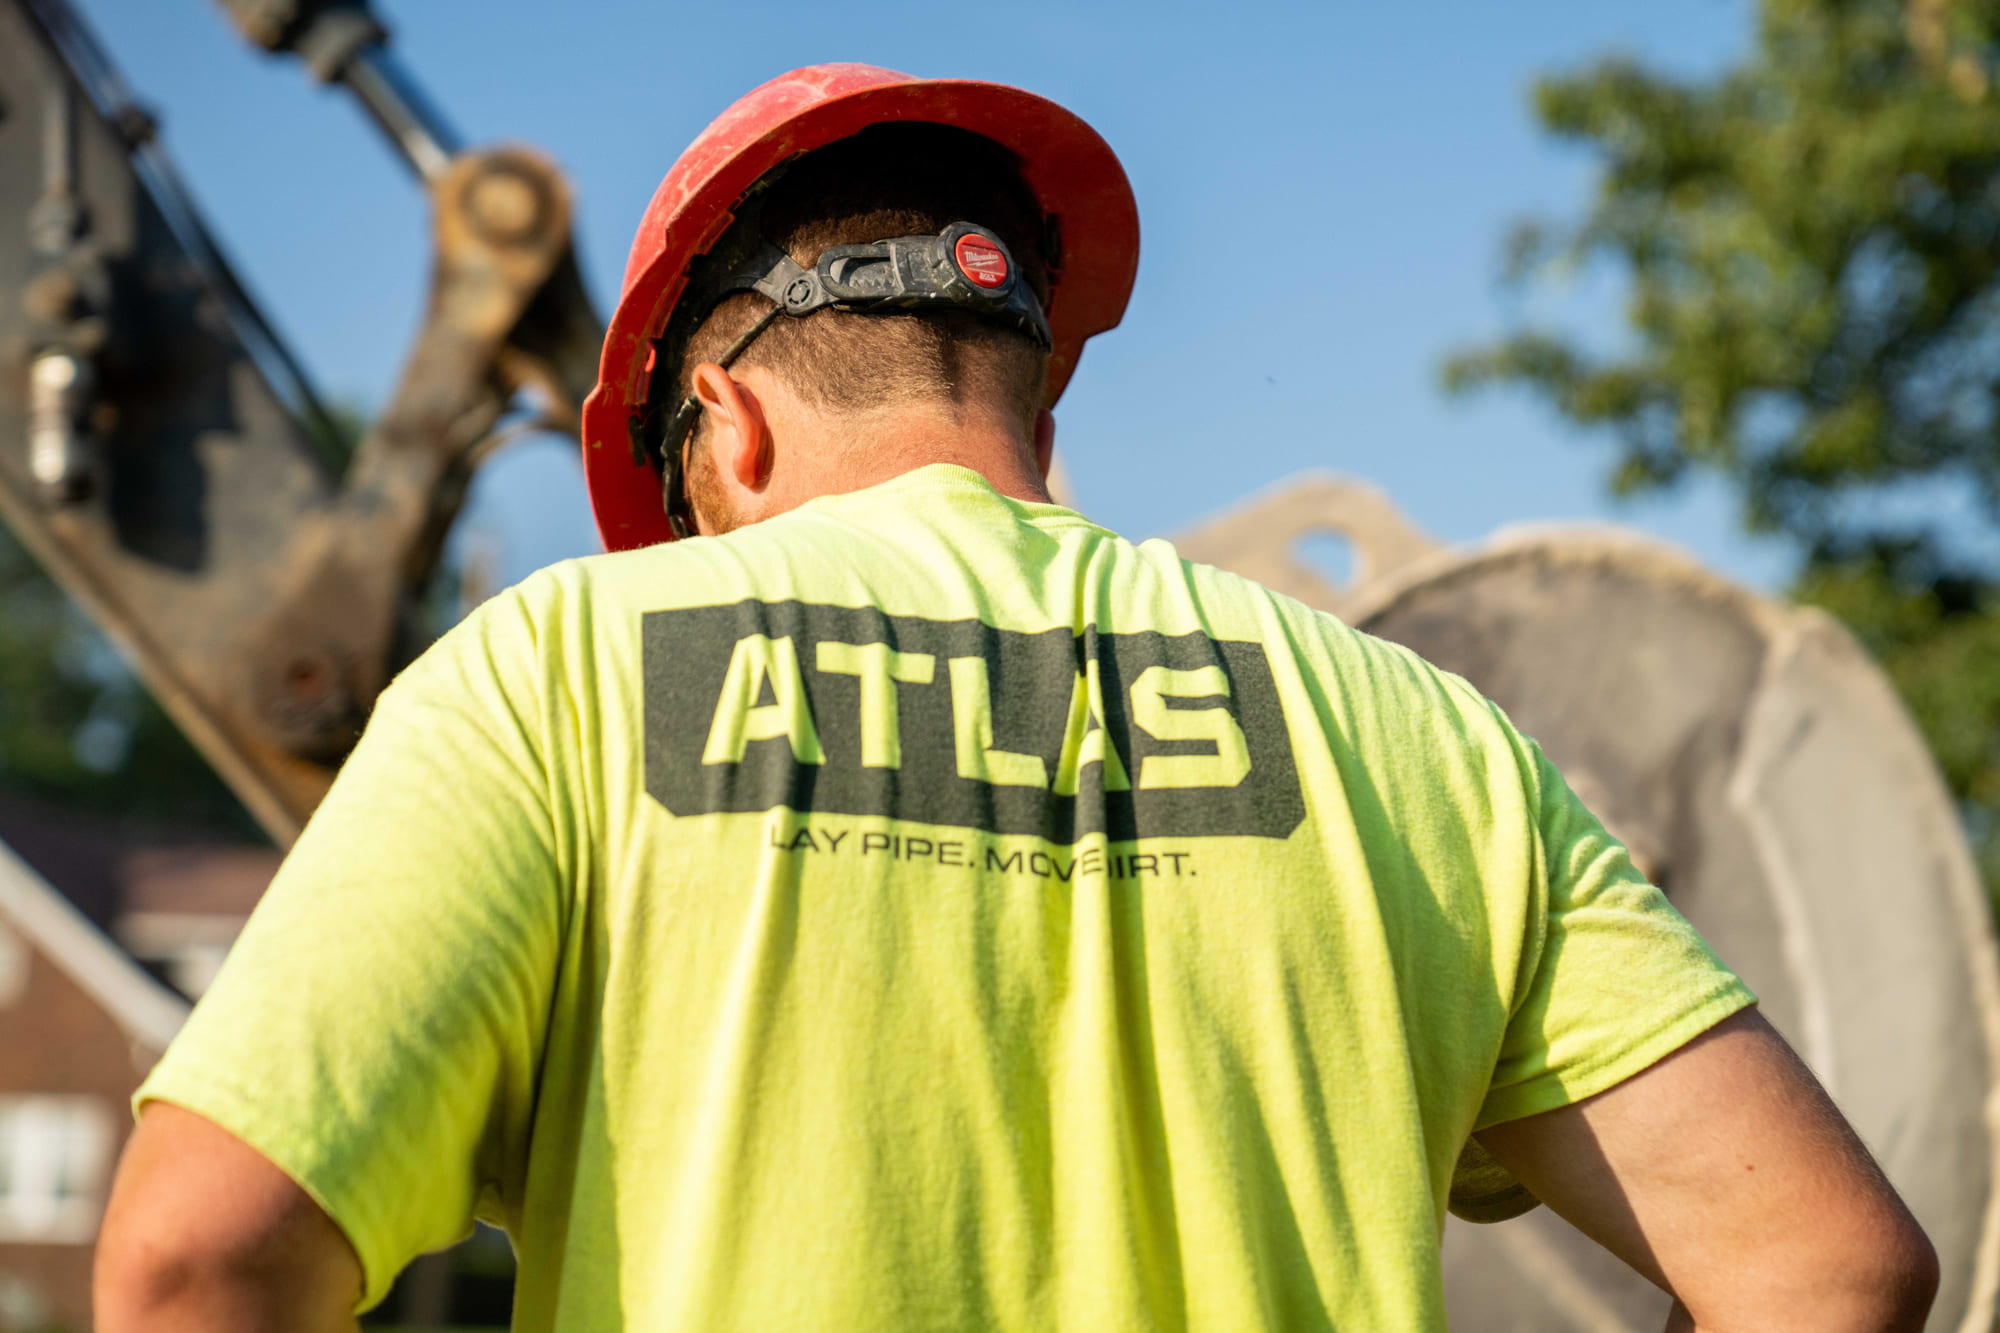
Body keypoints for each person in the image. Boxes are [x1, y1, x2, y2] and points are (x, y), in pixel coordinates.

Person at [94, 65, 1937, 1333]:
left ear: (721, 426)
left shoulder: (562, 673)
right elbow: (1829, 1267)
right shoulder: (1423, 737)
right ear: (1037, 413)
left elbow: (191, 1263)